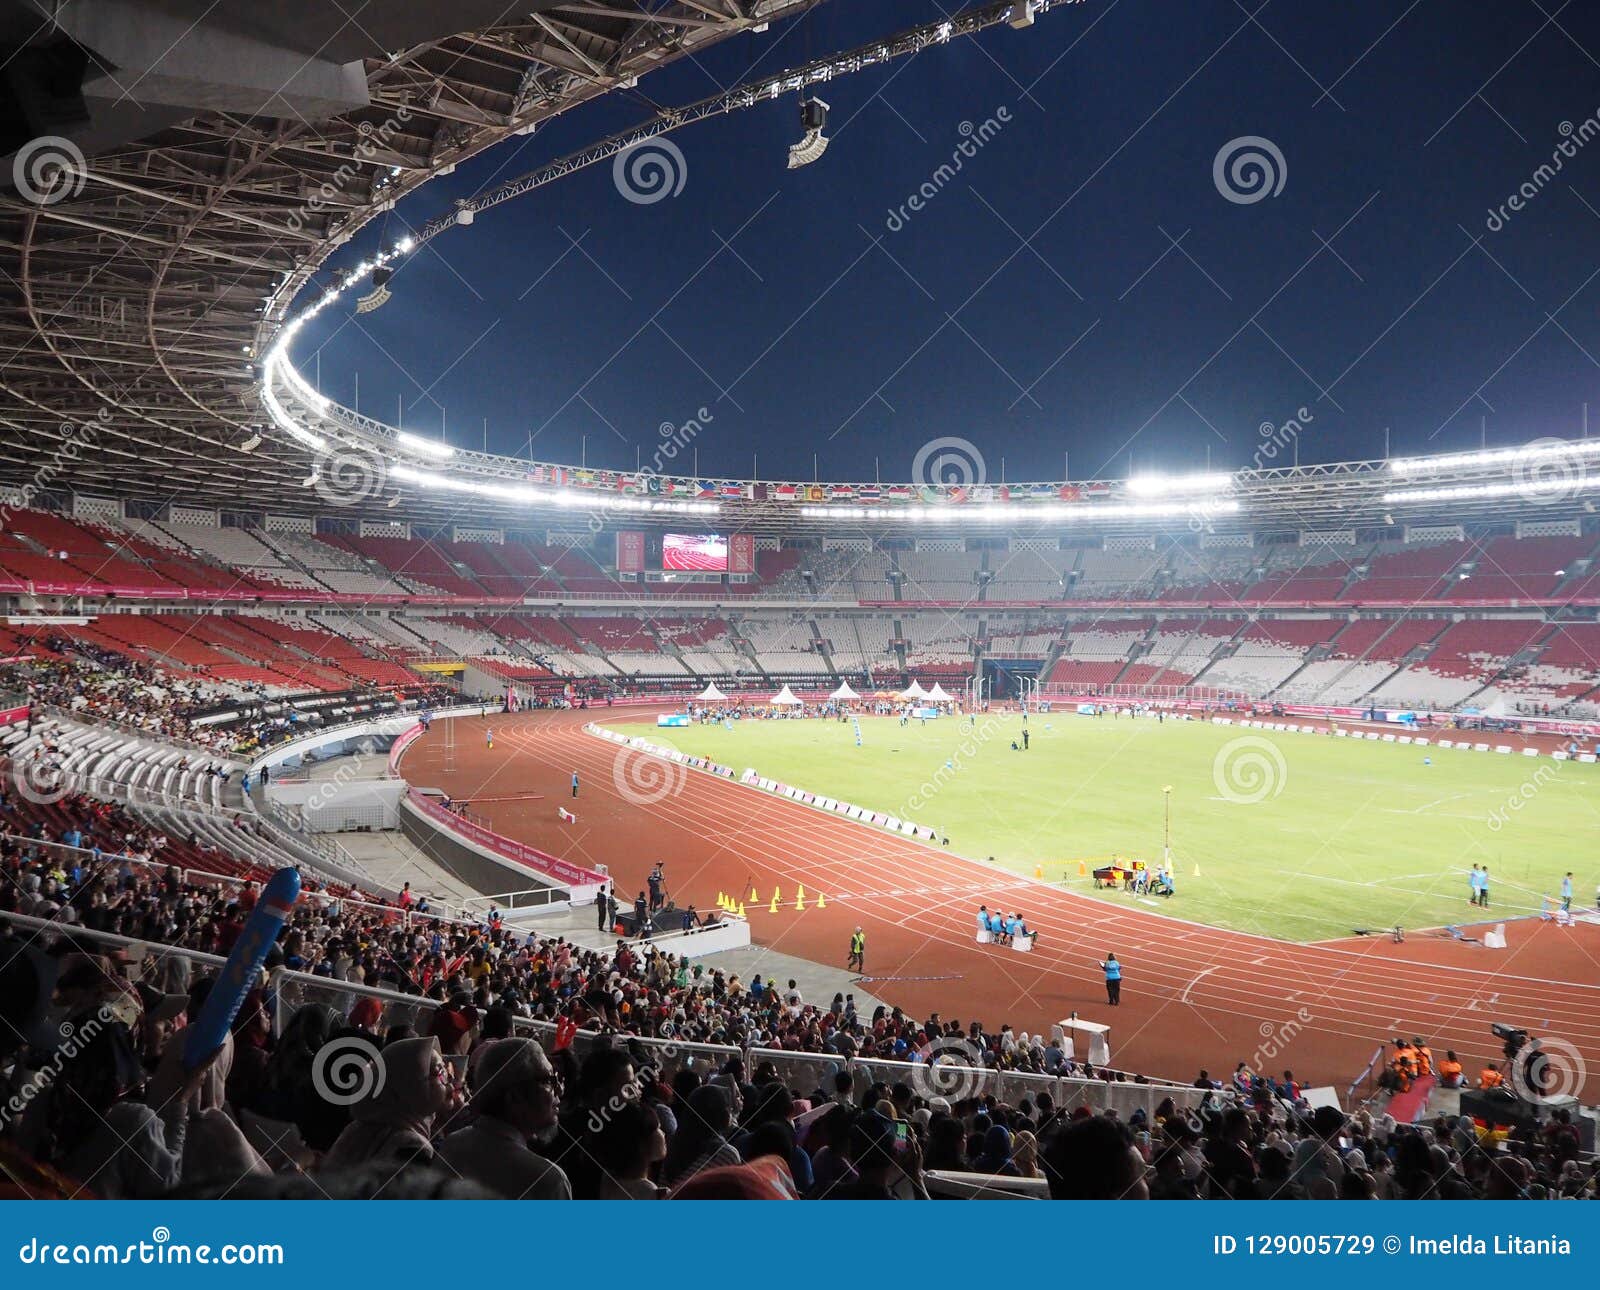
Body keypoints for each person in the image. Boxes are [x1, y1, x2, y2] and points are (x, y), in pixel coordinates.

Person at [434, 1038, 570, 1199]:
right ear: (515, 1096)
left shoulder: (451, 1145)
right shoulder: (548, 1181)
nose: (559, 1090)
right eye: (549, 1080)